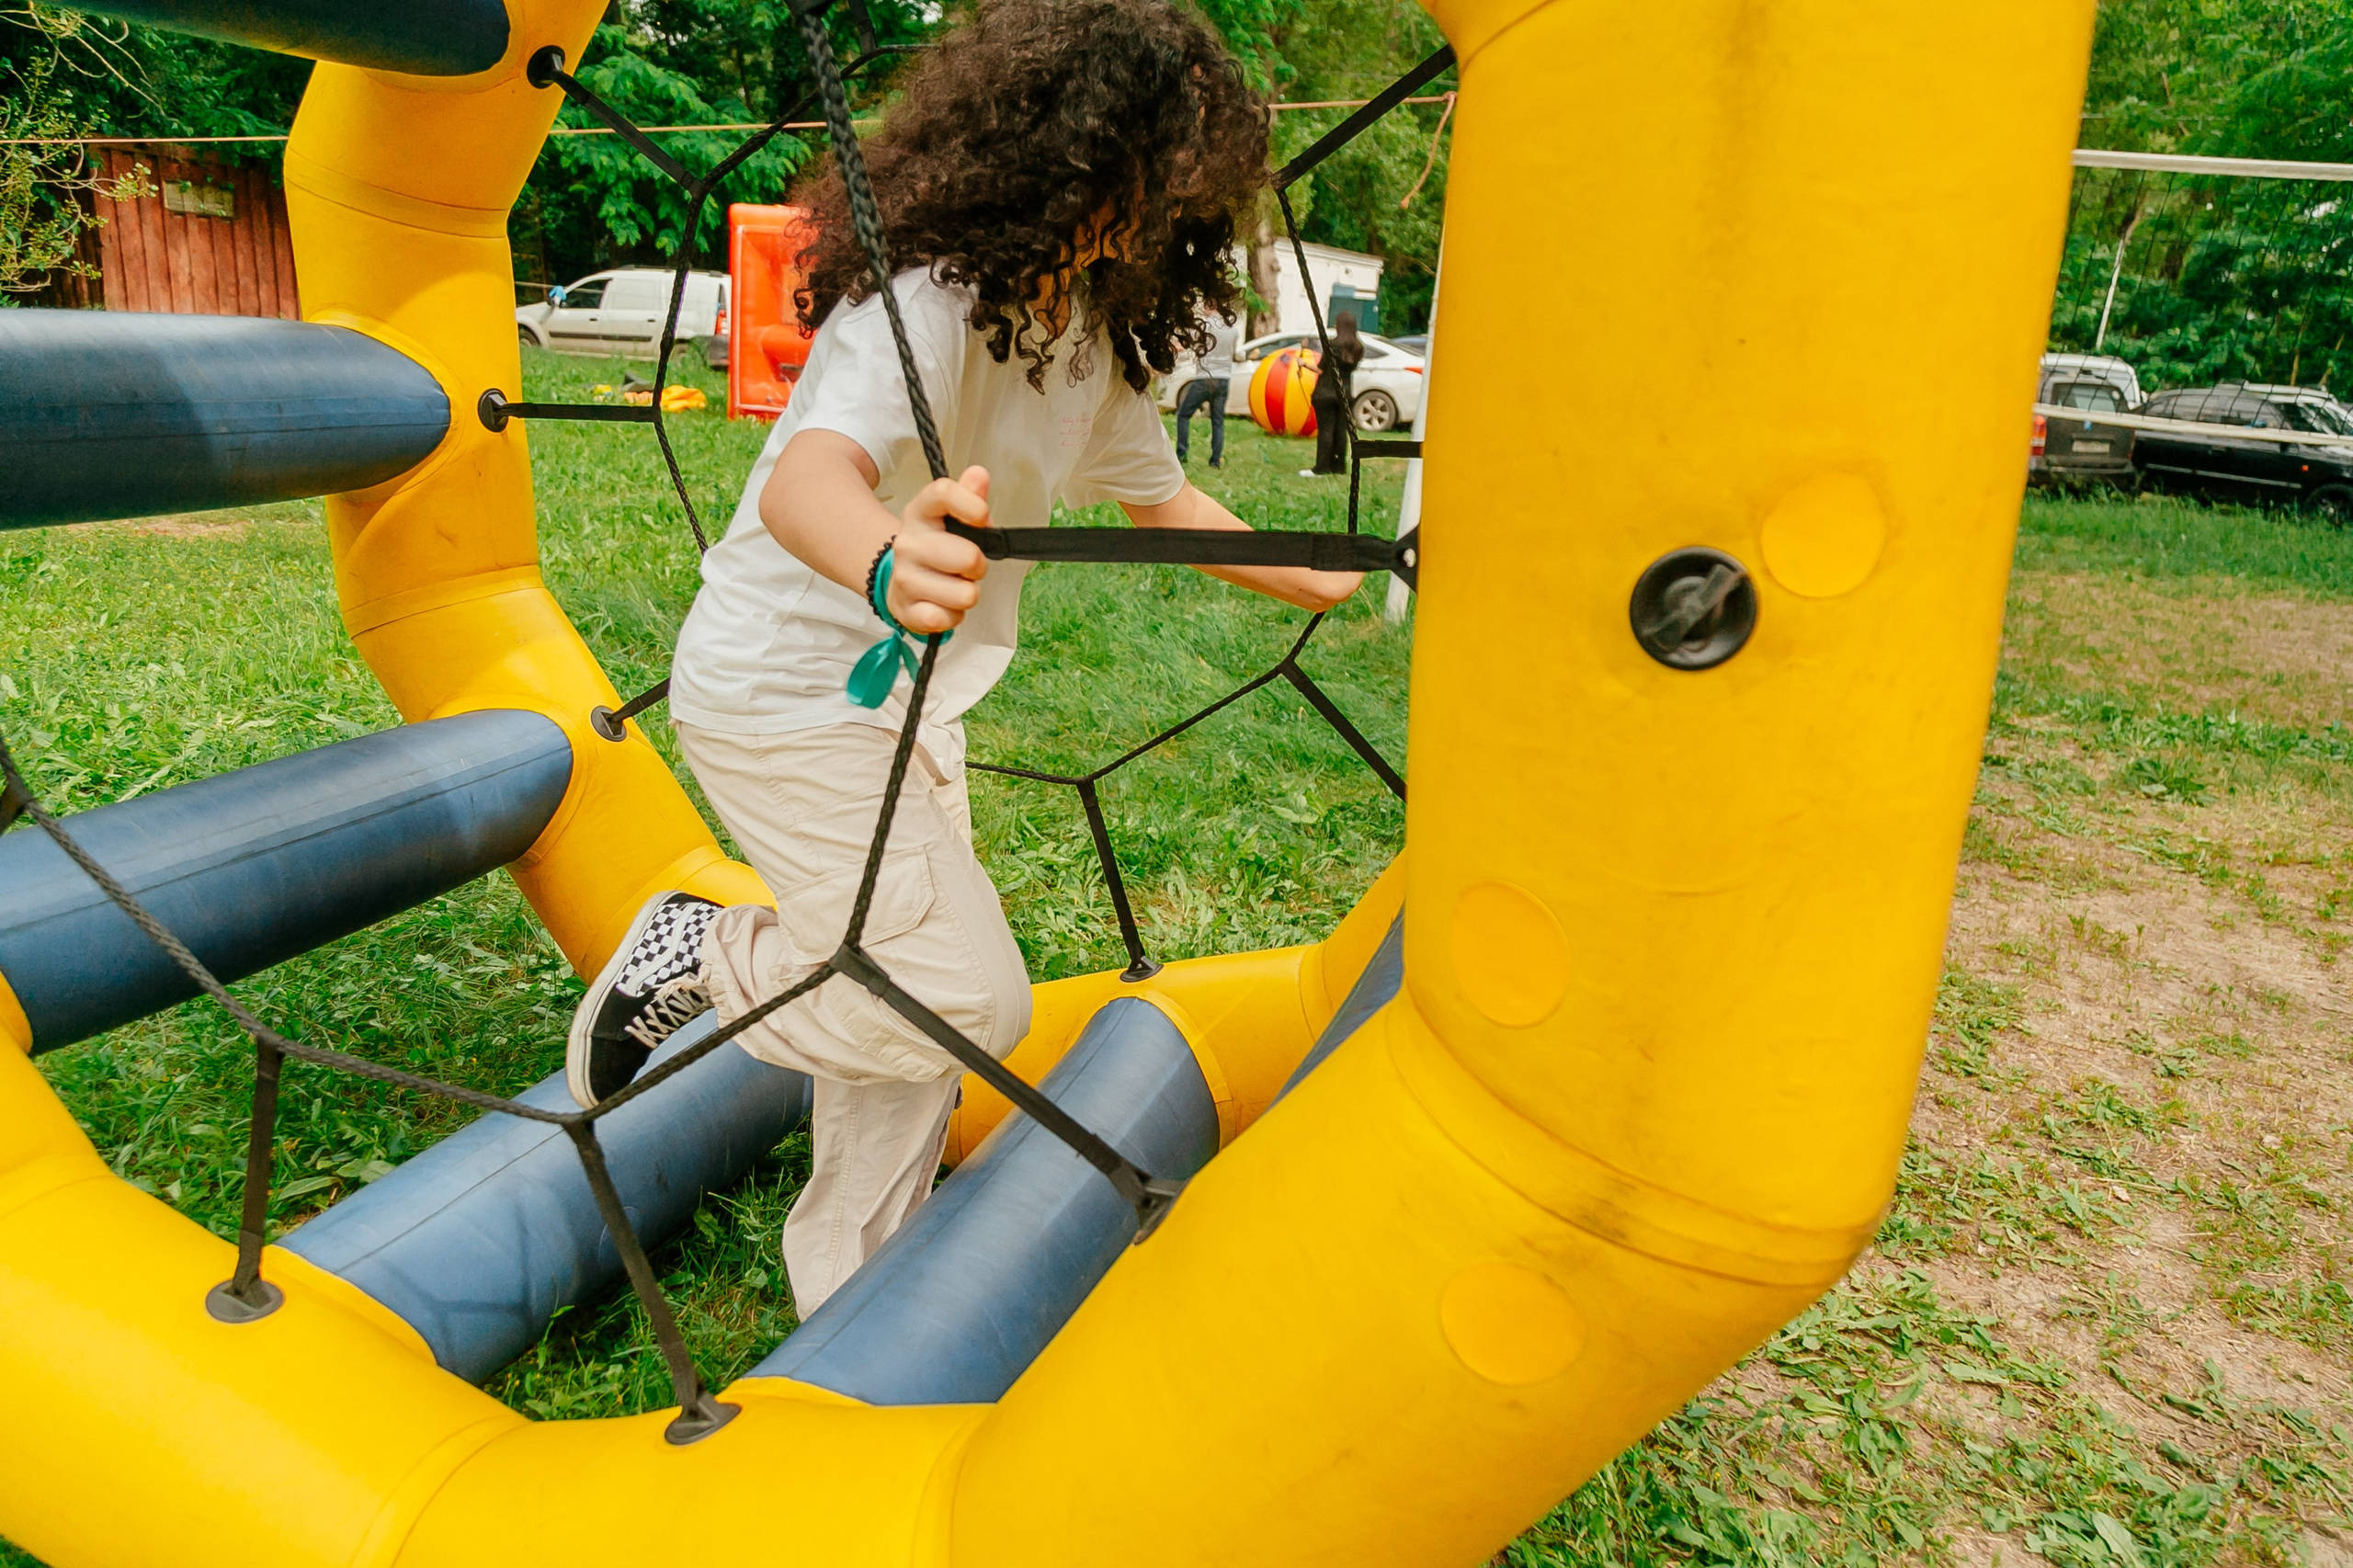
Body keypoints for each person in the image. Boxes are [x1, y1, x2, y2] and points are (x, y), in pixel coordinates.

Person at [563, 0, 1360, 1317]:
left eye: (1185, 189)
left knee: (907, 1043)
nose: (1164, 210)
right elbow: (807, 479)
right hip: (784, 690)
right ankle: (708, 956)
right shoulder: (927, 301)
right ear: (1066, 151)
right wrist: (886, 555)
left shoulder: (1091, 341)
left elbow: (1165, 504)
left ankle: (853, 1298)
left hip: (913, 706)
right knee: (959, 1000)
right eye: (1151, 174)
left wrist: (1329, 568)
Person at [1173, 308, 1237, 467]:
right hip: (1224, 378)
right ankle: (1215, 460)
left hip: (1205, 378)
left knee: (1183, 414)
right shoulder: (1232, 329)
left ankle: (1181, 453)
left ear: (1211, 305)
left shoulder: (1204, 326)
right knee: (1218, 421)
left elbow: (1187, 343)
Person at [1303, 312, 1365, 478]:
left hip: (1326, 393)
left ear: (1340, 326)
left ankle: (1322, 467)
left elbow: (1321, 369)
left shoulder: (1332, 345)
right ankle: (1339, 466)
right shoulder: (1358, 348)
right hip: (1345, 394)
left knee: (1326, 431)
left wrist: (1303, 363)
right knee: (1341, 431)